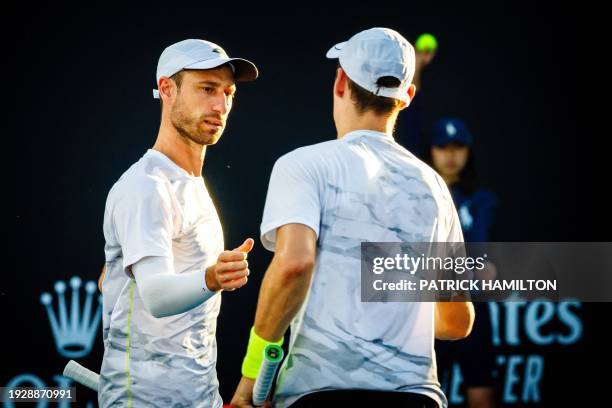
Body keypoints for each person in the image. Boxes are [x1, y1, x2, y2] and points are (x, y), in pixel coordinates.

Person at [230, 28, 474, 408]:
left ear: (340, 81)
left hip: (322, 397)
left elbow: (295, 263)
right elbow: (458, 321)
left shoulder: (303, 165)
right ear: (406, 97)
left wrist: (250, 375)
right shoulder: (435, 187)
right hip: (417, 400)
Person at [99, 39, 258, 407]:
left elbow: (113, 279)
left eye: (228, 92)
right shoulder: (146, 186)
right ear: (167, 89)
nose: (220, 105)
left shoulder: (188, 184)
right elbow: (156, 296)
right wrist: (211, 278)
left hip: (200, 397)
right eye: (206, 89)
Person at [427, 118, 498, 407]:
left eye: (458, 147)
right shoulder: (420, 195)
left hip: (474, 307)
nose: (451, 155)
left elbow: (486, 262)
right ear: (431, 151)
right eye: (443, 147)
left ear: (468, 151)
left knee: (482, 392)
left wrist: (487, 266)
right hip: (431, 311)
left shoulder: (482, 200)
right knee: (428, 393)